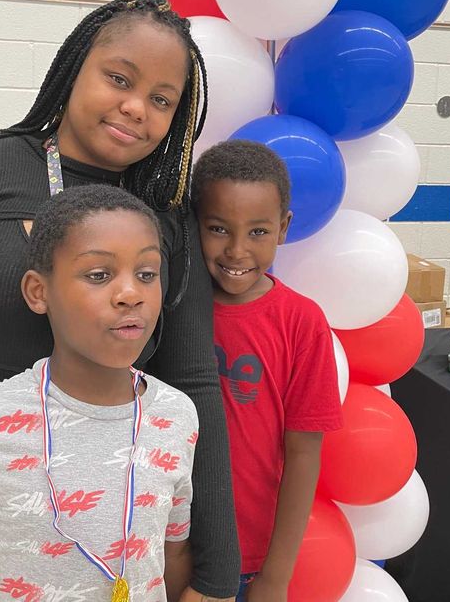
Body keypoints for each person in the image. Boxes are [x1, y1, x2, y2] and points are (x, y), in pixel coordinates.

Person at [0, 0, 240, 602]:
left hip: (125, 517)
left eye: (163, 100)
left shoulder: (169, 215)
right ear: (74, 67)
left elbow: (194, 382)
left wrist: (218, 576)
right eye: (119, 78)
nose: (136, 107)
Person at [0, 185, 198, 602]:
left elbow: (174, 548)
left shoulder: (177, 416)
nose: (132, 294)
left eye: (147, 273)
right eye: (99, 274)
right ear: (39, 292)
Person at [191, 141, 344, 602]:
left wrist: (275, 577)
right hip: (163, 544)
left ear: (283, 228)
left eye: (257, 232)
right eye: (218, 228)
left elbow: (303, 454)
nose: (237, 250)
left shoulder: (301, 322)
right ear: (193, 222)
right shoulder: (173, 306)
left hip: (245, 556)